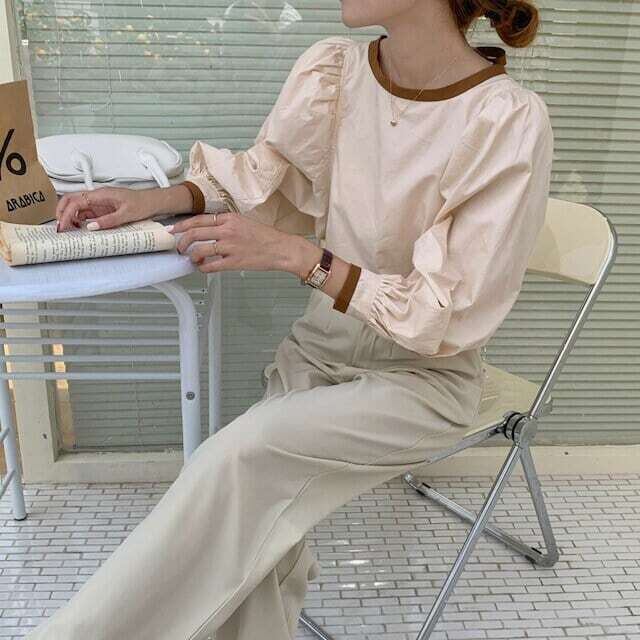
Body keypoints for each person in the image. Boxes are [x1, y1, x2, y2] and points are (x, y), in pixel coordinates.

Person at [31, 0, 553, 638]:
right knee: (255, 538)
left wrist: (299, 257)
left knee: (235, 462)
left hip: (422, 381)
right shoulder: (336, 73)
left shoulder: (505, 120)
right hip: (318, 351)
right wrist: (153, 200)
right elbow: (266, 182)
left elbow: (447, 313)